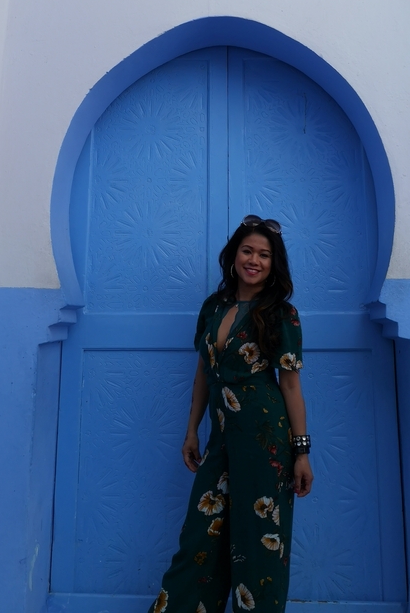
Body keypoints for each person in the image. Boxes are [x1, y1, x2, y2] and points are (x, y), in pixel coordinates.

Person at [149, 215, 314, 613]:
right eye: (247, 250)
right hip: (220, 439)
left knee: (259, 546)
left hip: (265, 441)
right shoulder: (214, 306)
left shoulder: (281, 313)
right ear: (233, 255)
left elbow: (290, 386)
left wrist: (302, 450)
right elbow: (205, 372)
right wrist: (191, 430)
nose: (254, 260)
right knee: (199, 543)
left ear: (274, 263)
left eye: (264, 254)